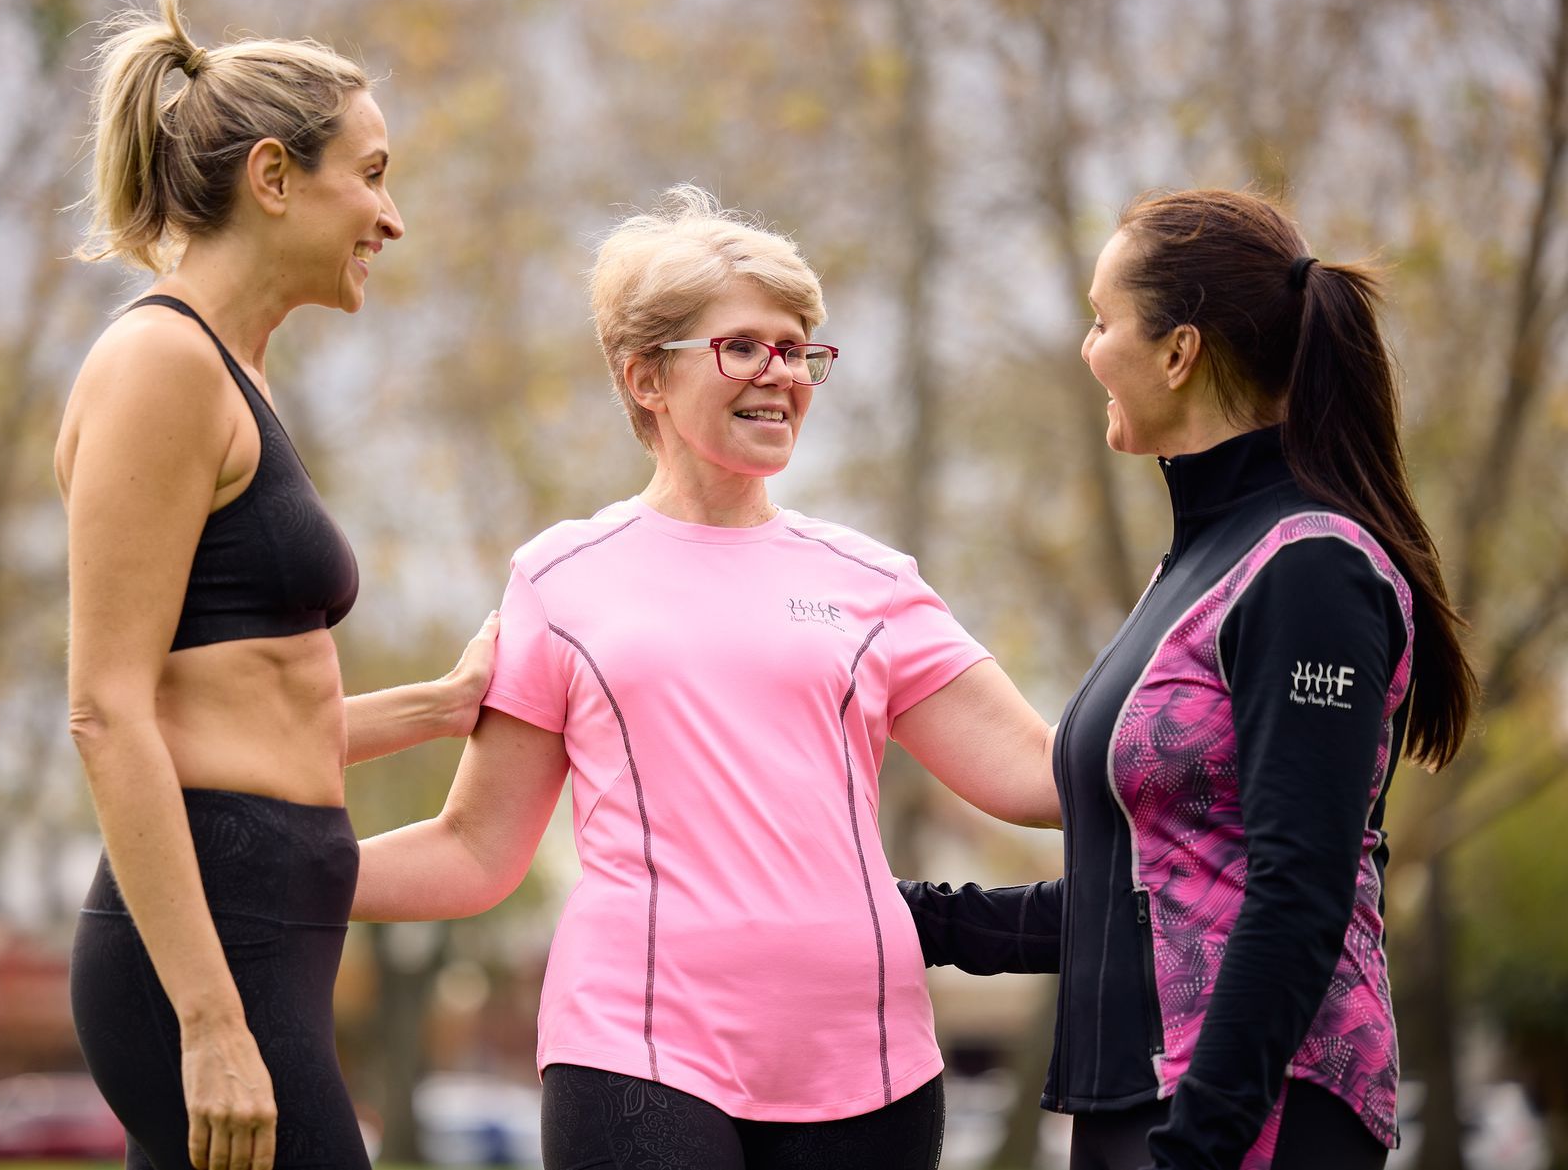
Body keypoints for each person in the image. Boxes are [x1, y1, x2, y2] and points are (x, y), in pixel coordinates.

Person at [351, 186, 1061, 1170]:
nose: (784, 374)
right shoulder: (559, 580)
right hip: (636, 1050)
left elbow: (1040, 775)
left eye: (799, 348)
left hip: (872, 1061)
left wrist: (1237, 739)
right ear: (646, 376)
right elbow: (477, 851)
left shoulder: (874, 585)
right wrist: (284, 873)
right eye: (744, 347)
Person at [900, 188, 1478, 1170]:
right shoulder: (1199, 567)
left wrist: (1199, 1143)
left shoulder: (1311, 566)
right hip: (1143, 1100)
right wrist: (906, 913)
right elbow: (1145, 900)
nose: (1088, 351)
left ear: (1178, 351)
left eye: (1101, 319)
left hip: (1251, 1112)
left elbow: (1299, 894)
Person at [57, 0, 497, 1170]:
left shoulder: (235, 378)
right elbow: (108, 709)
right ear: (270, 177)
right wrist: (207, 1021)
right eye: (371, 175)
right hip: (210, 940)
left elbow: (239, 698)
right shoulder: (162, 367)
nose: (391, 218)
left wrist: (440, 710)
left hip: (276, 920)